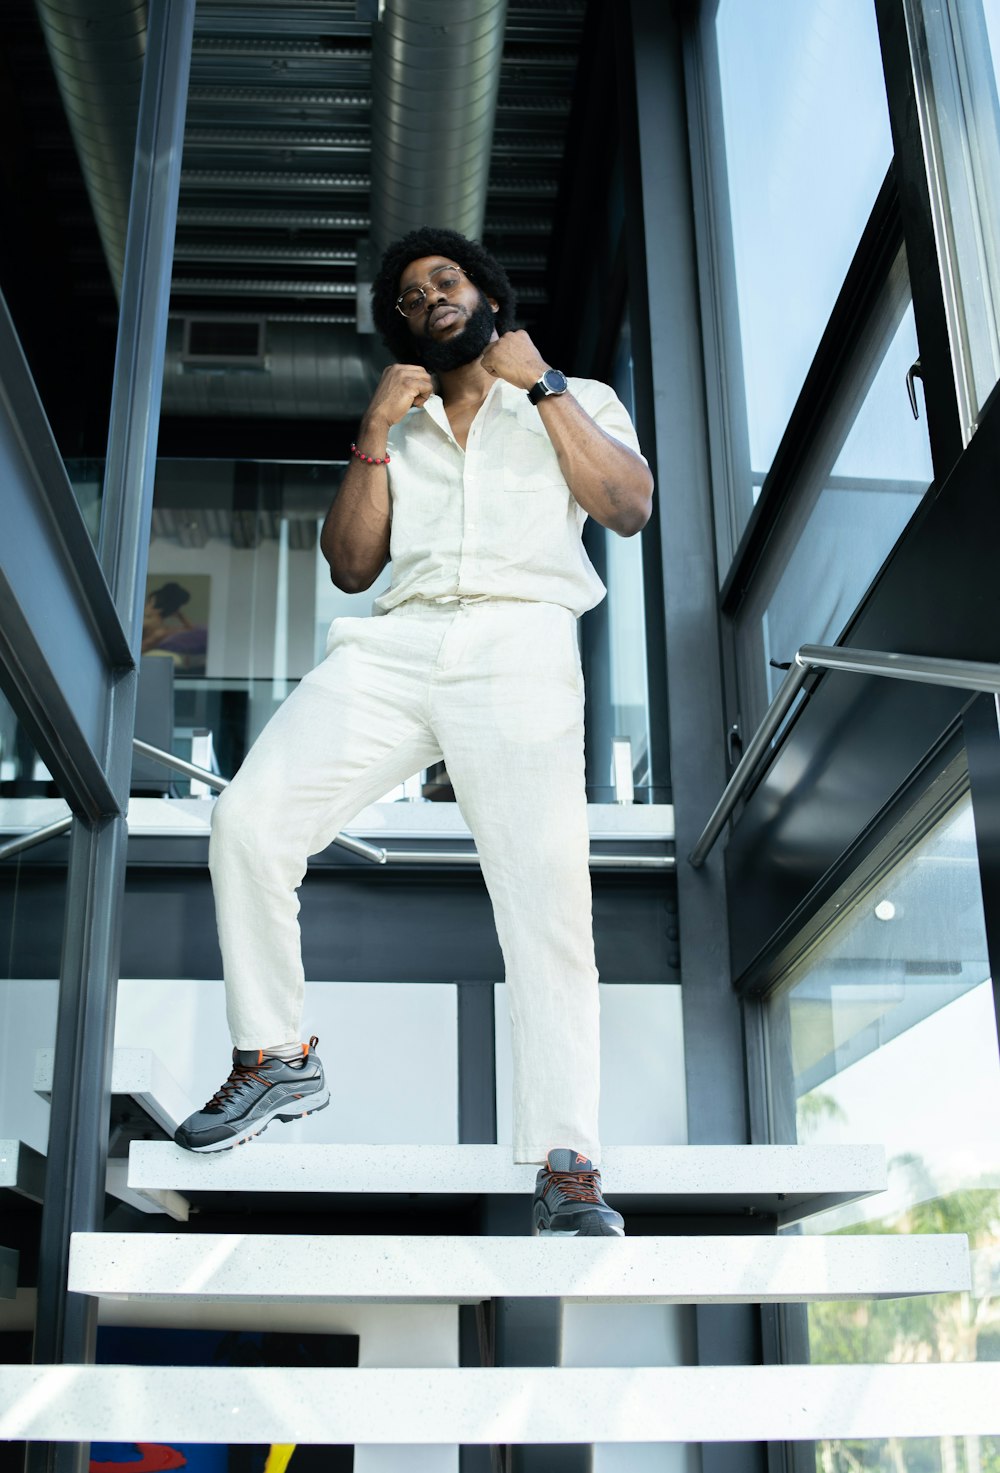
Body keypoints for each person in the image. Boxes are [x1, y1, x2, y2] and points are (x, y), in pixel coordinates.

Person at [174, 226, 654, 1237]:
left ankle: (568, 1165)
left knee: (544, 905)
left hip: (519, 643)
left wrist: (548, 388)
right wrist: (374, 430)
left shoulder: (572, 395)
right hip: (396, 644)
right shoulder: (404, 416)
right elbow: (351, 568)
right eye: (407, 296)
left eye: (445, 281)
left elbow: (626, 506)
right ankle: (274, 1059)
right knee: (251, 821)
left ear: (486, 295)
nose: (426, 298)